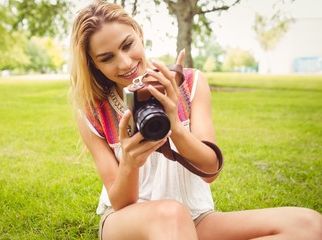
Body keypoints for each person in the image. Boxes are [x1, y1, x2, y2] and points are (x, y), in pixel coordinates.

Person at [69, 1, 322, 239]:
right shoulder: (92, 112)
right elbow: (121, 203)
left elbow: (210, 171)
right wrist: (130, 163)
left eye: (127, 45)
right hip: (126, 221)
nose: (125, 63)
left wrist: (176, 127)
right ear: (93, 63)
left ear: (139, 33)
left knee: (309, 225)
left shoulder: (191, 83)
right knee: (171, 213)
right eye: (107, 58)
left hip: (194, 219)